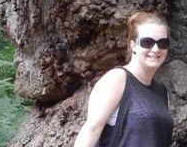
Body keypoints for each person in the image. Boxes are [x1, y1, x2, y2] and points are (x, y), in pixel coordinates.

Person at [73, 11, 174, 147]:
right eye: (147, 42)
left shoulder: (161, 91)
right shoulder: (117, 79)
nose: (156, 49)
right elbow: (91, 130)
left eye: (162, 43)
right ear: (133, 45)